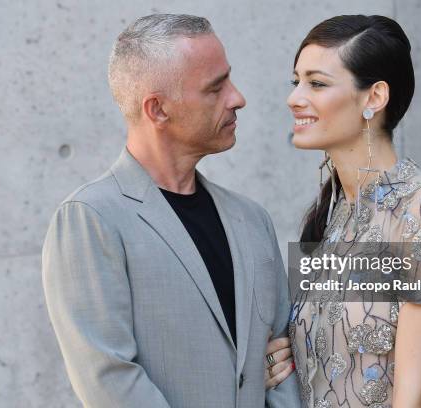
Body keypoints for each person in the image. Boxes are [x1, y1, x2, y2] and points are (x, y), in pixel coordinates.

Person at [42, 14, 299, 408]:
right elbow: (109, 381)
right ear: (158, 110)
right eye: (216, 88)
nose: (238, 98)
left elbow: (285, 359)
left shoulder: (252, 220)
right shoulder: (91, 219)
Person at [281, 15, 421, 408]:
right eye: (296, 81)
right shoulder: (331, 218)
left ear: (374, 97)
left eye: (316, 83)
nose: (295, 97)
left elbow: (414, 398)